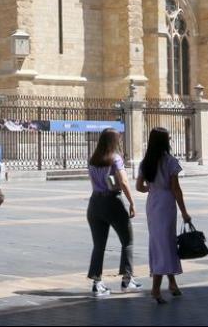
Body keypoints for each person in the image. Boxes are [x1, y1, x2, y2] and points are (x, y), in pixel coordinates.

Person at [134, 127, 192, 303]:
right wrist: (184, 212)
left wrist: (151, 189)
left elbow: (139, 187)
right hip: (166, 203)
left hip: (153, 202)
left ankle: (172, 283)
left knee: (160, 242)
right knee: (165, 243)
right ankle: (156, 289)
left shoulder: (146, 163)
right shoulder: (170, 162)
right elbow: (176, 189)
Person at [85, 127, 142, 297]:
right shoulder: (115, 158)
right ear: (114, 142)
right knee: (127, 240)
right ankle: (127, 280)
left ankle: (97, 283)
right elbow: (124, 182)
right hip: (112, 202)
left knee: (99, 245)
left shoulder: (93, 159)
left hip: (95, 202)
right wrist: (132, 203)